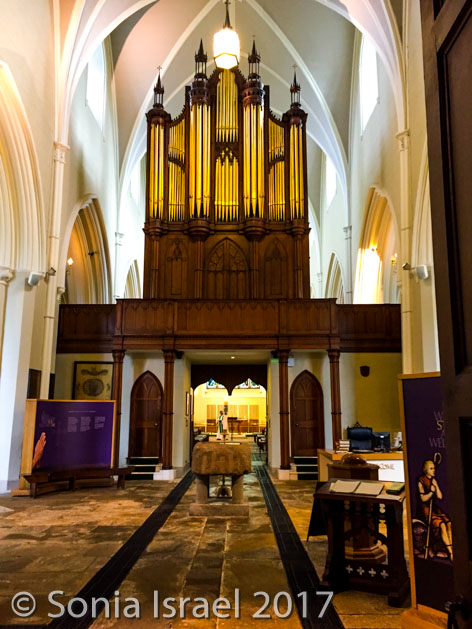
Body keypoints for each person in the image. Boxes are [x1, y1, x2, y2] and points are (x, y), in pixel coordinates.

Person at [418, 459, 453, 560]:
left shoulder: (433, 480)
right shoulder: (421, 480)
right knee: (441, 524)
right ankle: (450, 552)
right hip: (426, 509)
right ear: (426, 470)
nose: (433, 470)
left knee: (448, 523)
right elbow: (423, 499)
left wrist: (436, 487)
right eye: (431, 468)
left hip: (435, 509)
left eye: (434, 468)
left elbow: (440, 496)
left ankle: (451, 547)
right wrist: (431, 492)